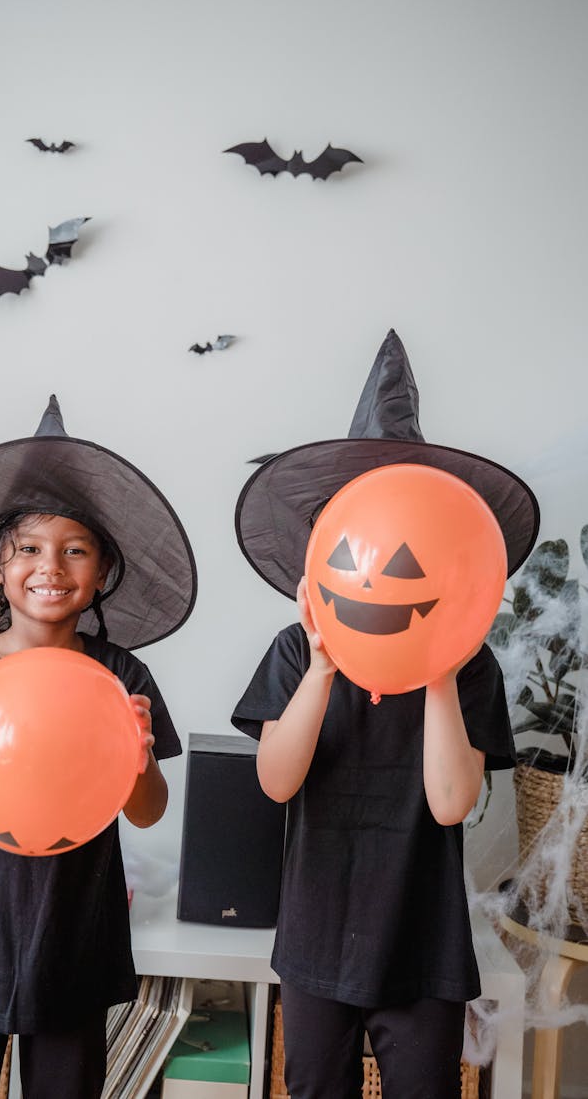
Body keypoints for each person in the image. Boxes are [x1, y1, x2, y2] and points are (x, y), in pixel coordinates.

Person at [231, 331, 540, 1099]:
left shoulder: (470, 666)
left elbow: (451, 801)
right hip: (314, 941)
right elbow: (275, 782)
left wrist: (438, 663)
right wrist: (325, 664)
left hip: (423, 945)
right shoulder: (295, 651)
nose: (387, 554)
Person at [0, 396, 197, 1099]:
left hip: (74, 937)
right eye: (27, 547)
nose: (50, 564)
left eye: (75, 548)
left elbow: (145, 811)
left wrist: (138, 756)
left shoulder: (121, 676)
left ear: (102, 571)